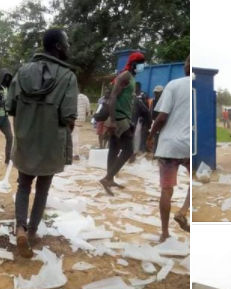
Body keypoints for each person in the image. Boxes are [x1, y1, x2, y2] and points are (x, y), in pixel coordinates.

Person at [6, 28, 78, 259]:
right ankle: (34, 231)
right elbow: (69, 116)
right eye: (66, 43)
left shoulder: (22, 71)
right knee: (43, 189)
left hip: (26, 139)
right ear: (58, 46)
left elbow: (11, 107)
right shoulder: (68, 76)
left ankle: (20, 228)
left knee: (23, 185)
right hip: (51, 142)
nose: (68, 47)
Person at [147, 56, 191, 242]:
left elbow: (162, 116)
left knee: (166, 190)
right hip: (191, 146)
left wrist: (150, 135)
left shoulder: (174, 85)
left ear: (186, 66)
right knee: (195, 181)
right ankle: (183, 210)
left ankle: (164, 233)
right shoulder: (201, 88)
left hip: (169, 146)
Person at [100, 51, 146, 194]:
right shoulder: (125, 76)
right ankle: (108, 178)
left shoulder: (130, 77)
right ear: (133, 64)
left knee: (114, 148)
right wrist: (113, 120)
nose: (142, 66)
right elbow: (113, 97)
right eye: (140, 63)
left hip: (123, 117)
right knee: (128, 150)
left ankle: (110, 178)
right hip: (119, 119)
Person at [71, 90, 90, 160]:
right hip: (81, 119)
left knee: (74, 135)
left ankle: (75, 154)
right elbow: (88, 110)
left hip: (73, 118)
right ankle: (74, 153)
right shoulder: (85, 97)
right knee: (75, 134)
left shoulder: (71, 97)